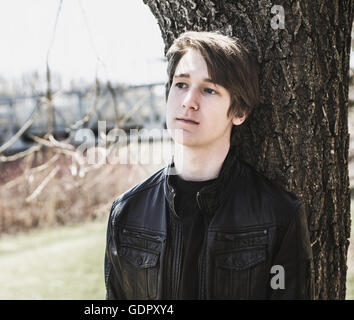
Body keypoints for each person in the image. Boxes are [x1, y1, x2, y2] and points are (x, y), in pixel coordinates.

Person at [104, 31, 314, 300]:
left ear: (239, 112)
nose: (188, 101)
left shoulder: (279, 216)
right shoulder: (127, 212)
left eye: (209, 90)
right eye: (181, 84)